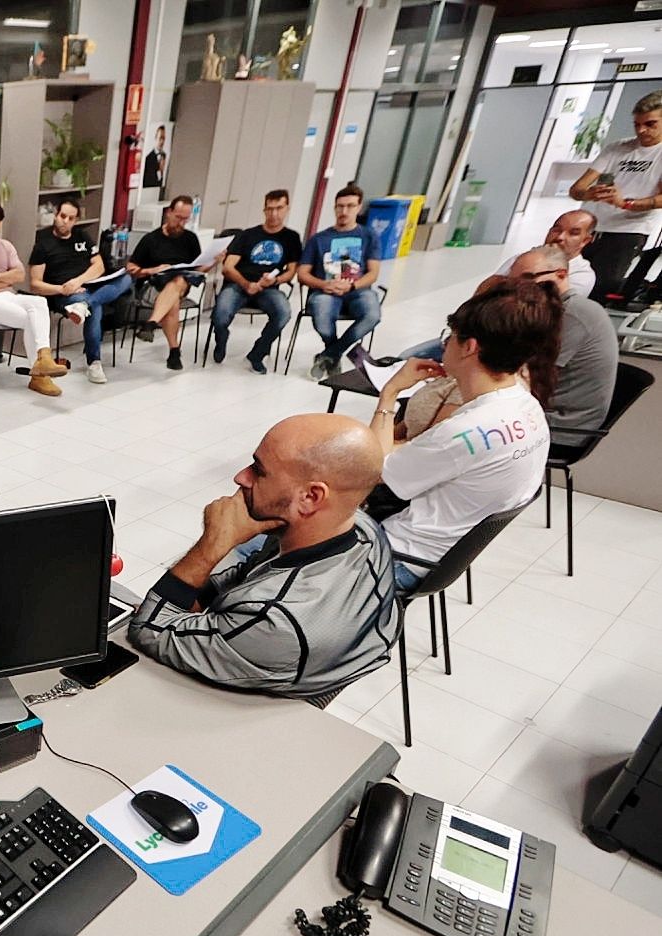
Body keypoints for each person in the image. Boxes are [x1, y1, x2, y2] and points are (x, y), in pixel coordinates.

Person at [127, 413, 397, 699]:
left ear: (310, 498)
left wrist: (212, 545)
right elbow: (252, 572)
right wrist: (198, 595)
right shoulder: (361, 527)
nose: (241, 477)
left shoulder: (277, 623)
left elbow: (148, 628)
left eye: (258, 470)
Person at [368, 280, 559, 589]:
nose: (445, 345)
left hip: (397, 558)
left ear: (470, 347)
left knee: (271, 534)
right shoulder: (528, 406)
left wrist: (390, 392)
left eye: (451, 338)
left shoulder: (464, 431)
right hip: (445, 558)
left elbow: (374, 467)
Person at [401, 247, 615, 447]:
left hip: (559, 425)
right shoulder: (551, 313)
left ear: (561, 275)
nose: (516, 289)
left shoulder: (572, 316)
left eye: (528, 279)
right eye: (512, 281)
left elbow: (508, 368)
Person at [397, 210, 598, 362]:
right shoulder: (526, 258)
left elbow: (528, 315)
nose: (560, 237)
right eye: (556, 229)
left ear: (585, 240)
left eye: (573, 233)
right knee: (407, 357)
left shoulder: (581, 276)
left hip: (505, 348)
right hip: (479, 332)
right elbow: (484, 292)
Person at [0, 200, 64, 396]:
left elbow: (20, 274)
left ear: (0, 223)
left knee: (40, 302)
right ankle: (40, 376)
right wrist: (1, 277)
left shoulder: (6, 246)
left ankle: (44, 359)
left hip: (9, 296)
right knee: (30, 318)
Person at [29, 197, 132, 384]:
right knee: (96, 308)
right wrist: (63, 288)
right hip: (63, 293)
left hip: (88, 286)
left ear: (76, 220)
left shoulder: (82, 237)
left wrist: (78, 281)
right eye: (62, 216)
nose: (65, 221)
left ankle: (85, 304)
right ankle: (94, 363)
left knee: (126, 278)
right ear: (55, 215)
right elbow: (35, 284)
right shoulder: (43, 243)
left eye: (70, 218)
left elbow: (99, 266)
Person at [570, 91, 662, 301]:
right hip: (591, 226)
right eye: (637, 124)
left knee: (600, 288)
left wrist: (625, 204)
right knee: (570, 282)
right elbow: (576, 190)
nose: (641, 130)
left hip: (628, 231)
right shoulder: (617, 148)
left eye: (650, 124)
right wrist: (590, 194)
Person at [210, 189, 302, 373]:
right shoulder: (248, 235)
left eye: (279, 208)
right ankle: (221, 338)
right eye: (269, 209)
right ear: (264, 209)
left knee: (283, 313)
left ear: (287, 209)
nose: (274, 214)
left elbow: (291, 272)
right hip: (238, 284)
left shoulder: (291, 238)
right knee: (220, 314)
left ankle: (258, 353)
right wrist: (246, 284)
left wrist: (275, 280)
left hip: (268, 287)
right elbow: (228, 267)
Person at [298, 183, 382, 380]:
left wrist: (352, 285)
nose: (344, 211)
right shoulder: (319, 239)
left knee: (372, 315)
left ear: (359, 207)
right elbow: (302, 274)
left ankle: (329, 355)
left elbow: (373, 273)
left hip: (358, 289)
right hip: (325, 290)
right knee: (321, 313)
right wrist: (323, 284)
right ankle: (333, 355)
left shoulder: (369, 236)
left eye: (350, 206)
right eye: (340, 206)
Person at [125, 195, 204, 371]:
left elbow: (196, 270)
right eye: (178, 217)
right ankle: (174, 352)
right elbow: (131, 267)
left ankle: (152, 322)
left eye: (185, 219)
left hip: (182, 283)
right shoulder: (151, 239)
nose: (181, 223)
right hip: (154, 285)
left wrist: (213, 261)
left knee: (178, 280)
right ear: (168, 213)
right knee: (173, 302)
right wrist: (151, 270)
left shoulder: (190, 239)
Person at [142, 125, 168, 189]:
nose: (162, 142)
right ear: (156, 138)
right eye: (160, 138)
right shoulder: (148, 159)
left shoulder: (164, 156)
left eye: (163, 138)